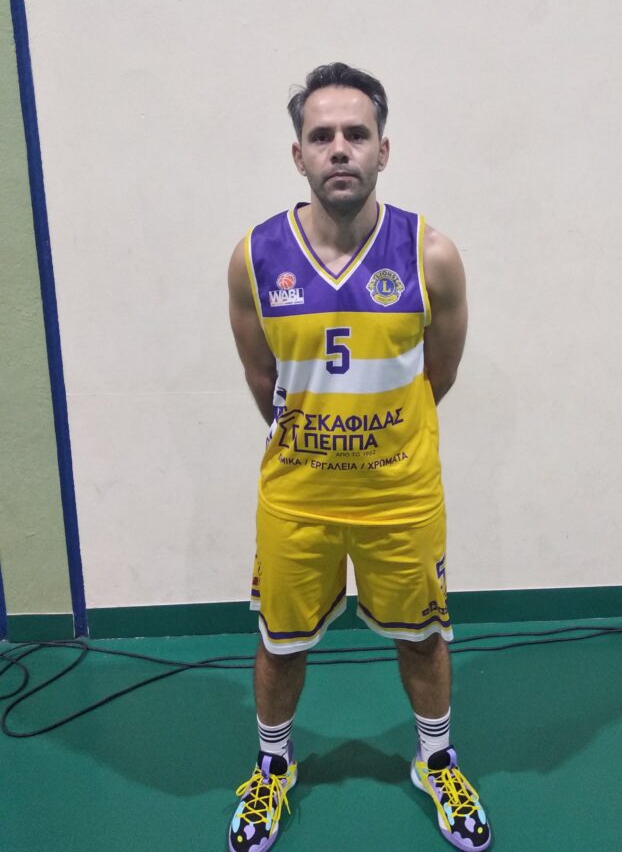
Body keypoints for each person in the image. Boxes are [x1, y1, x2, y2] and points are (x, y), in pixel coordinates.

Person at [227, 62, 492, 852]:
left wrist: (378, 439)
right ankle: (273, 767)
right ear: (298, 154)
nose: (339, 148)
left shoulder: (430, 253)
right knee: (280, 645)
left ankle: (435, 759)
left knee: (423, 636)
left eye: (355, 134)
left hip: (399, 496)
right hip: (297, 497)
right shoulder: (254, 256)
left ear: (383, 149)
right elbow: (262, 378)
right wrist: (320, 440)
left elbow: (439, 372)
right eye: (321, 136)